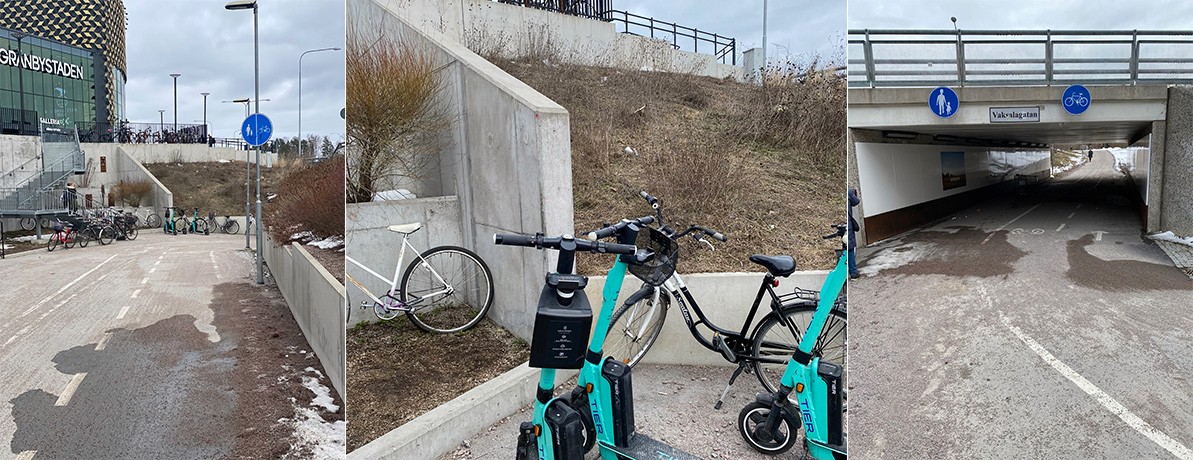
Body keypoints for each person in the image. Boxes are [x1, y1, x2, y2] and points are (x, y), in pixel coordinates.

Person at [848, 188, 861, 280]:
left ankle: (851, 271)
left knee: (847, 249)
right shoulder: (848, 192)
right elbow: (856, 201)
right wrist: (854, 193)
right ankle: (853, 272)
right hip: (848, 226)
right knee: (850, 249)